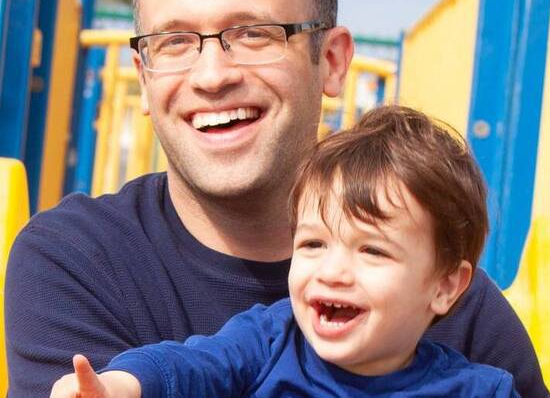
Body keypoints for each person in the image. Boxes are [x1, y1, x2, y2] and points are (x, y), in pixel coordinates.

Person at [5, 0, 548, 396]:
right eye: (174, 42)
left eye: (254, 33)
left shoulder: (456, 306)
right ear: (143, 77)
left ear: (331, 61)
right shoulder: (77, 262)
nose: (212, 75)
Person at [50, 106, 519, 397]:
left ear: (444, 286)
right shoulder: (271, 341)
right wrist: (119, 386)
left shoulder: (479, 389)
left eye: (372, 251)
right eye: (313, 243)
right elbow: (192, 365)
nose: (333, 271)